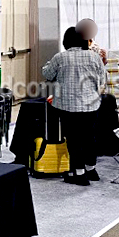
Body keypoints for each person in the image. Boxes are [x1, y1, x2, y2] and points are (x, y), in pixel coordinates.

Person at [43, 27, 105, 186]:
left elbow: (48, 74)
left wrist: (49, 65)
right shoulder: (94, 57)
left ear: (66, 41)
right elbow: (102, 79)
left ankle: (79, 174)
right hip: (91, 105)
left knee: (74, 140)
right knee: (90, 138)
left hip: (68, 106)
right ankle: (91, 169)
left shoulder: (60, 57)